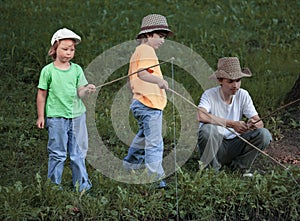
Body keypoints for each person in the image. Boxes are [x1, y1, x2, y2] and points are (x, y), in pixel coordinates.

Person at [36, 28, 96, 192]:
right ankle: (54, 186)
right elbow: (42, 94)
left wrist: (87, 89)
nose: (69, 52)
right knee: (58, 153)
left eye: (72, 49)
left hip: (77, 117)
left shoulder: (76, 70)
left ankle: (81, 185)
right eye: (65, 48)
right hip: (56, 118)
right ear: (55, 49)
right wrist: (41, 116)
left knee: (78, 152)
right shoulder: (48, 71)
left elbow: (80, 92)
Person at [197, 57, 272, 176]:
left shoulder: (243, 94)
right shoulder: (209, 94)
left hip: (236, 144)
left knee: (264, 134)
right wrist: (232, 124)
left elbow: (259, 123)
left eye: (238, 80)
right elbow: (201, 115)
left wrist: (252, 124)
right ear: (220, 80)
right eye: (230, 81)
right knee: (207, 130)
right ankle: (212, 171)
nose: (235, 85)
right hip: (216, 145)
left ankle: (241, 167)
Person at [123, 14, 173, 188]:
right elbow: (142, 73)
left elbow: (131, 81)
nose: (163, 41)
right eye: (160, 36)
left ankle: (130, 164)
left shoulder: (138, 52)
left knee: (144, 136)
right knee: (155, 143)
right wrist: (159, 81)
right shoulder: (146, 50)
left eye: (164, 37)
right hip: (149, 105)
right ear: (149, 35)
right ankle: (155, 178)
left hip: (140, 103)